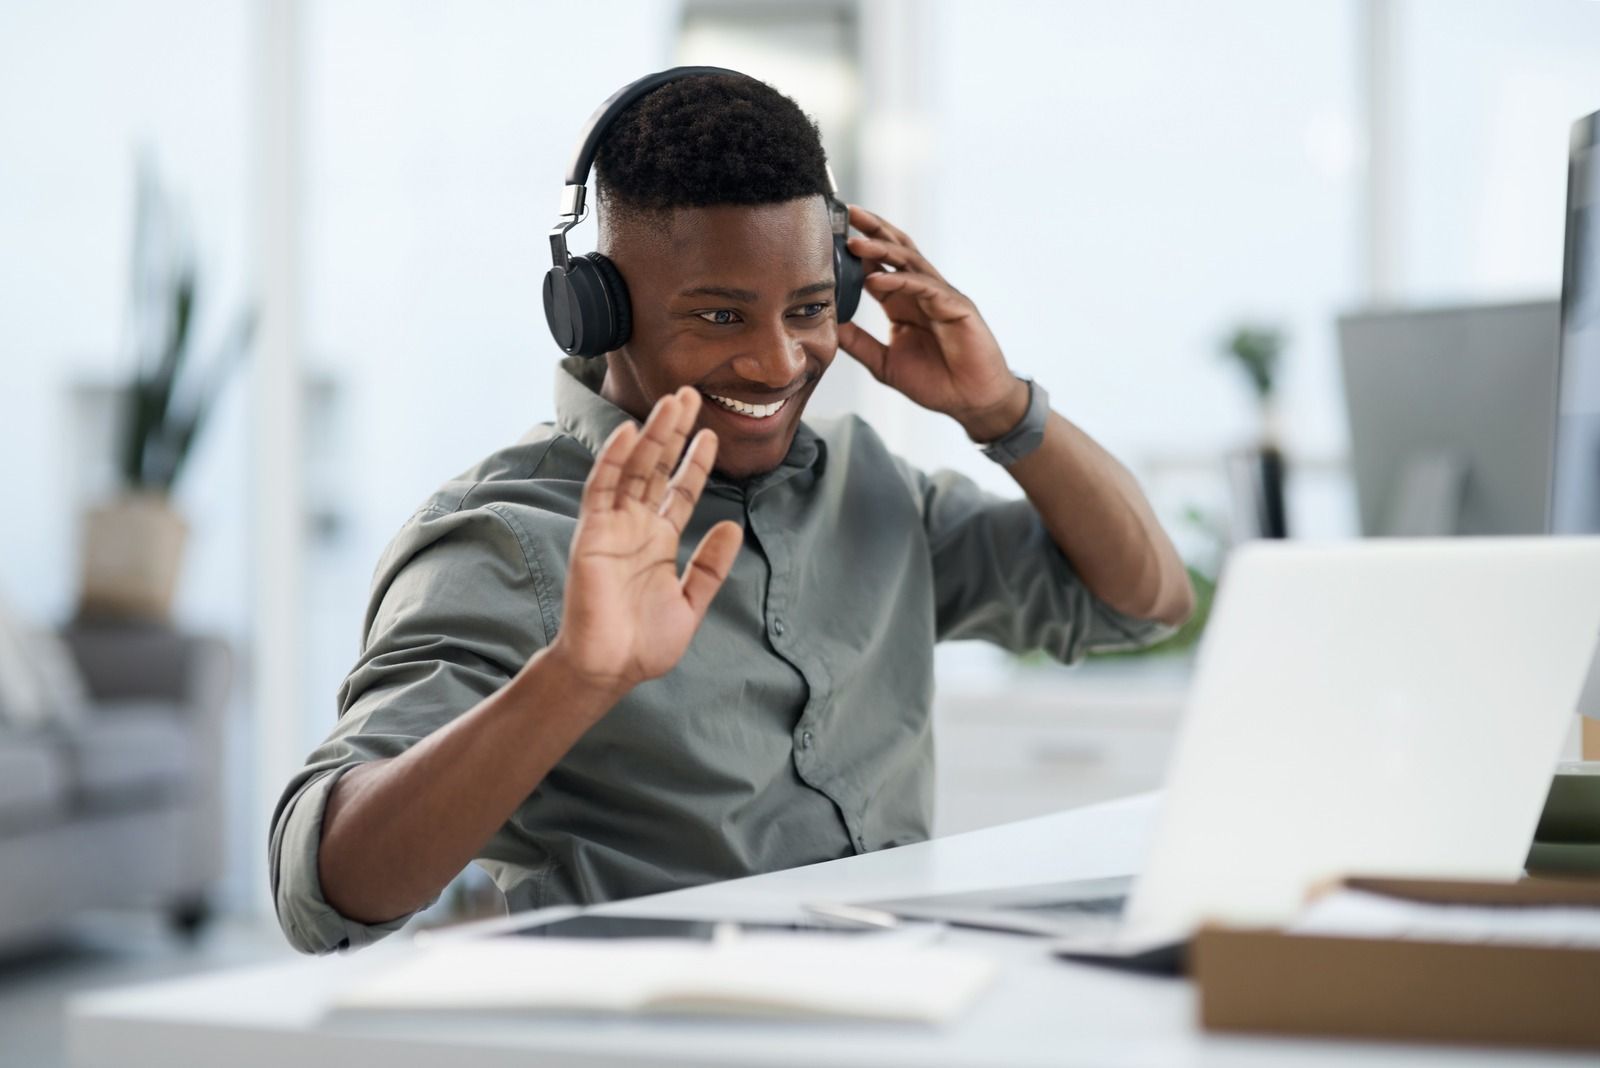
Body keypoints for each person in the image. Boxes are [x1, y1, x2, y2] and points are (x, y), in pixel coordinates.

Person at [269, 71, 1193, 955]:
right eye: (718, 317)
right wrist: (574, 677)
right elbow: (322, 888)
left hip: (900, 1008)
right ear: (597, 311)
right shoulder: (505, 538)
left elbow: (1142, 600)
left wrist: (1002, 413)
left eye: (808, 309)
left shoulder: (869, 488)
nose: (780, 363)